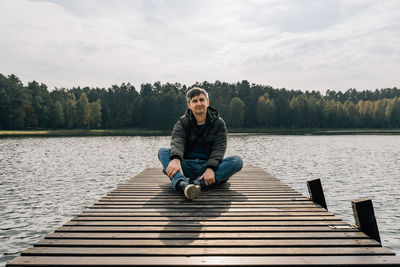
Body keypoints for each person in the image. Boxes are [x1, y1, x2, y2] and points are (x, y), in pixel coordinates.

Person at [158, 87, 243, 200]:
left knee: (237, 161)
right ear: (189, 105)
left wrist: (210, 168)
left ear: (207, 102)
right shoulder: (183, 122)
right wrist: (176, 159)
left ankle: (196, 183)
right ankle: (183, 185)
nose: (199, 103)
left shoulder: (218, 123)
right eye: (194, 101)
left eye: (201, 100)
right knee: (163, 152)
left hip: (206, 166)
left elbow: (219, 148)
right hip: (186, 165)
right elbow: (177, 140)